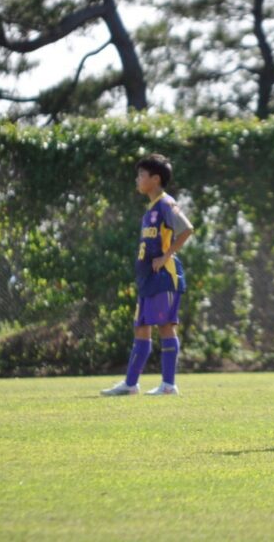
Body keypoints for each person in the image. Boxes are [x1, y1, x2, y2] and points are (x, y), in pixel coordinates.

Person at [101, 154, 194, 396]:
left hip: (164, 277)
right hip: (147, 279)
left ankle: (168, 385)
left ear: (155, 179)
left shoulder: (166, 204)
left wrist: (166, 256)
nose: (137, 179)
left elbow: (187, 229)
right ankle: (130, 384)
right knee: (141, 328)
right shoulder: (150, 209)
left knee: (165, 327)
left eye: (141, 175)